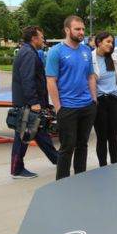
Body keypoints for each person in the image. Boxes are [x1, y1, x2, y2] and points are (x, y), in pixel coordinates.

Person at [46, 16, 97, 180]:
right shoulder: (56, 52)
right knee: (67, 147)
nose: (81, 32)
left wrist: (94, 101)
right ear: (67, 30)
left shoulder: (86, 51)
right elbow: (51, 81)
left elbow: (90, 77)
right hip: (67, 107)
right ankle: (62, 183)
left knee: (82, 145)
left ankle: (79, 179)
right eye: (77, 29)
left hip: (87, 106)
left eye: (82, 29)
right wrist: (59, 107)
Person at [10, 26, 58, 179]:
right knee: (23, 136)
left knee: (40, 133)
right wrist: (34, 103)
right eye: (41, 37)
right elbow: (27, 79)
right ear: (33, 38)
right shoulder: (29, 54)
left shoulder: (28, 52)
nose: (43, 39)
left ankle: (58, 160)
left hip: (30, 103)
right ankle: (17, 170)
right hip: (28, 104)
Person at [91, 31, 117, 167]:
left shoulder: (114, 57)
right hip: (99, 101)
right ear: (99, 42)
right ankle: (103, 167)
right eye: (108, 42)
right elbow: (90, 80)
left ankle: (115, 165)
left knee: (114, 137)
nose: (111, 45)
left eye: (112, 42)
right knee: (101, 137)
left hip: (114, 100)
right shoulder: (90, 58)